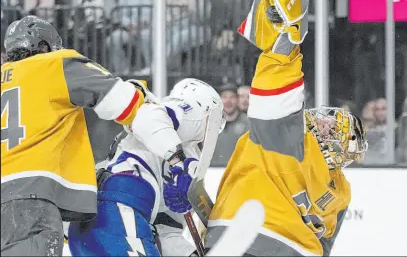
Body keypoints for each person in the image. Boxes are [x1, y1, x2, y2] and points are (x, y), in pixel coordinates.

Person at [205, 0, 368, 256]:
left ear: (331, 143)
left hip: (248, 241)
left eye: (330, 126)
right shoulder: (342, 193)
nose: (322, 121)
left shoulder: (291, 137)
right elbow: (324, 245)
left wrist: (287, 36)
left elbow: (275, 86)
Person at [0, 15, 155, 256]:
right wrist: (141, 91)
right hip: (30, 197)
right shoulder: (54, 63)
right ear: (44, 46)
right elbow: (124, 103)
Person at [68, 78, 225, 256]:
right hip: (117, 215)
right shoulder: (189, 114)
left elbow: (166, 232)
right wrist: (179, 164)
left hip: (96, 229)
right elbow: (146, 117)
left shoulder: (176, 146)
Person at [211, 83, 250, 167]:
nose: (228, 101)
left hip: (238, 173)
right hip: (213, 173)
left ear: (237, 100)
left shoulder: (248, 123)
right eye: (224, 97)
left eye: (232, 97)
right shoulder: (210, 123)